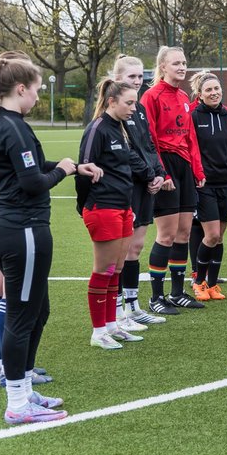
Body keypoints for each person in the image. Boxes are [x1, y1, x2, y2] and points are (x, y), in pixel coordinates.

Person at [0, 53, 93, 423]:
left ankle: (25, 389)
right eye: (37, 90)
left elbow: (19, 169)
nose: (39, 98)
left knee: (38, 311)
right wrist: (59, 171)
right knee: (22, 317)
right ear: (21, 88)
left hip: (3, 224)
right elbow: (31, 184)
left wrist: (67, 167)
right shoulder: (14, 127)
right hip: (20, 228)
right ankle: (17, 403)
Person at [77, 78, 155, 348]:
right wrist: (84, 206)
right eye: (129, 103)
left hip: (123, 206)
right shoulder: (98, 128)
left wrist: (151, 176)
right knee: (104, 270)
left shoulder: (120, 128)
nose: (134, 108)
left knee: (117, 269)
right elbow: (84, 169)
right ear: (112, 101)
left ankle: (113, 325)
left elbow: (129, 163)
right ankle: (98, 332)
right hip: (103, 207)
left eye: (135, 102)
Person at [141, 46, 205, 313]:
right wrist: (160, 172)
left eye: (184, 62)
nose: (182, 66)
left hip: (185, 168)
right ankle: (156, 298)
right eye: (176, 63)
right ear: (163, 67)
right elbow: (149, 138)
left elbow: (190, 137)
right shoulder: (151, 96)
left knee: (184, 232)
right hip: (164, 164)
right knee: (166, 234)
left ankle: (177, 293)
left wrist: (198, 170)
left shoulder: (184, 97)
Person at [109, 55, 168, 326]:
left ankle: (132, 306)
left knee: (136, 247)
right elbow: (127, 152)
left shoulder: (139, 108)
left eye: (140, 75)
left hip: (146, 184)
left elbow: (148, 145)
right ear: (117, 78)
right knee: (120, 251)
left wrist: (159, 174)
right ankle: (118, 310)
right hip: (127, 186)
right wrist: (148, 174)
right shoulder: (112, 112)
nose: (137, 81)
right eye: (131, 76)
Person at [186, 71, 227, 303]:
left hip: (226, 185)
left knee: (219, 237)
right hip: (203, 185)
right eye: (208, 90)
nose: (214, 93)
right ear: (199, 95)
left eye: (216, 89)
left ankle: (212, 285)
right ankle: (198, 282)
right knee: (210, 236)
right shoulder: (193, 116)